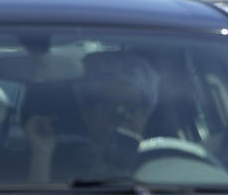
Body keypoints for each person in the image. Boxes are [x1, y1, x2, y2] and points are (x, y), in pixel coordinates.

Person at [24, 51, 160, 182]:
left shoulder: (167, 159)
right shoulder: (61, 158)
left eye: (130, 107)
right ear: (85, 112)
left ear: (146, 112)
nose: (119, 118)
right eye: (106, 105)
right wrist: (41, 153)